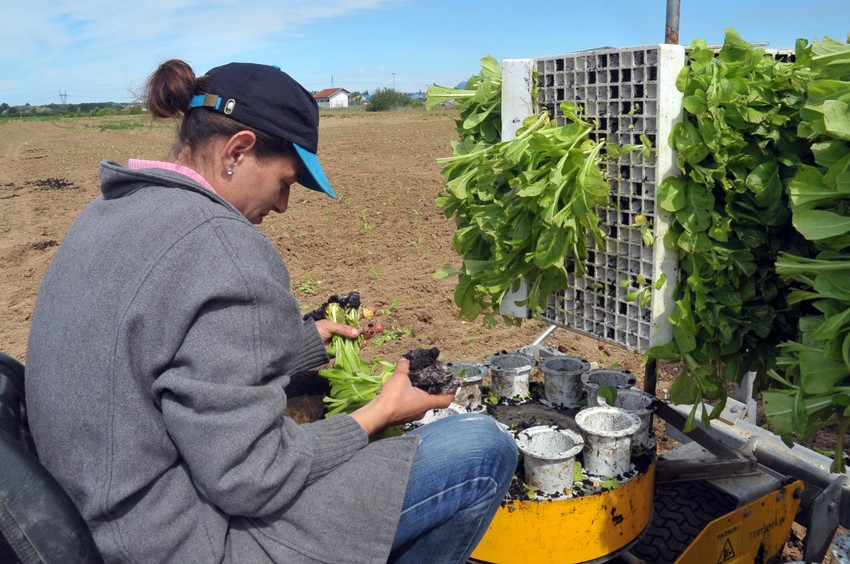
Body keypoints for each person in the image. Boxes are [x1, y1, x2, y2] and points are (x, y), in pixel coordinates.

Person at [24, 59, 517, 563]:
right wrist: (378, 413)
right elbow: (252, 479)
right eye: (285, 181)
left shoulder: (104, 213)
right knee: (480, 451)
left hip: (99, 523)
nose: (283, 205)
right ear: (237, 151)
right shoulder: (224, 247)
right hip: (184, 543)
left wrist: (294, 346)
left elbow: (161, 357)